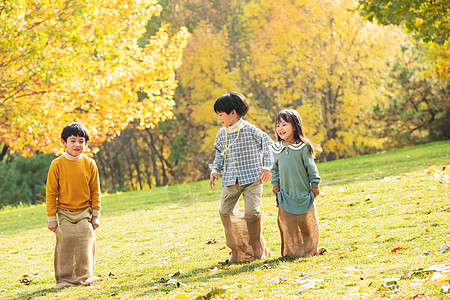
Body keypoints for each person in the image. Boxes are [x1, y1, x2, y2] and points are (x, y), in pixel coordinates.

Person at [209, 92, 273, 263]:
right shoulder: (222, 134)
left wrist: (267, 167)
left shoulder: (251, 130)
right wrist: (215, 171)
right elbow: (219, 155)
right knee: (225, 212)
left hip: (253, 179)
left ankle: (257, 251)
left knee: (252, 213)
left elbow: (269, 146)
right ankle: (238, 251)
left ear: (233, 113)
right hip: (230, 180)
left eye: (221, 114)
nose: (219, 118)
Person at [46, 122, 103, 289]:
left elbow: (95, 191)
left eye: (81, 141)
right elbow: (51, 193)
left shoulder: (90, 164)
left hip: (85, 211)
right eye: (73, 141)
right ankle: (64, 279)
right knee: (66, 241)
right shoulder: (57, 164)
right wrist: (52, 219)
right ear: (64, 142)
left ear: (85, 143)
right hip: (64, 212)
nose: (77, 145)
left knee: (86, 239)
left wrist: (95, 215)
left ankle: (85, 277)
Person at [269, 109, 325, 258]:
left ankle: (309, 248)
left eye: (284, 124)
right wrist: (275, 184)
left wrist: (315, 184)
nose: (280, 128)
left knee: (305, 222)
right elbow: (274, 169)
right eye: (278, 125)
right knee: (290, 223)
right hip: (285, 192)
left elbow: (311, 168)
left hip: (302, 191)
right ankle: (293, 251)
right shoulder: (276, 149)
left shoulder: (302, 147)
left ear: (294, 126)